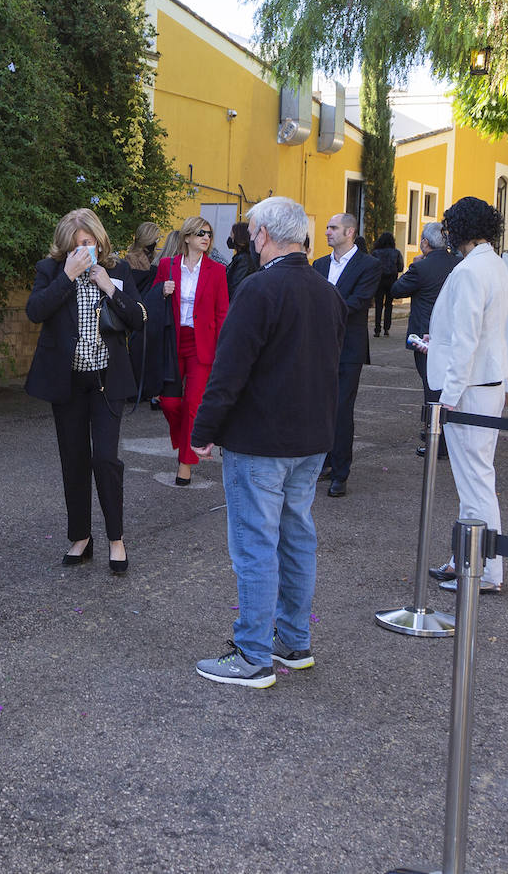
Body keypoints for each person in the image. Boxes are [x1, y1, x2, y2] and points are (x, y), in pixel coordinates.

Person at [190, 197, 346, 687]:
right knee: (296, 537)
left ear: (263, 235)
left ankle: (253, 654)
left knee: (257, 545)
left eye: (253, 233)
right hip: (311, 437)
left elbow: (229, 370)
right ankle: (293, 641)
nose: (251, 241)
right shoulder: (327, 292)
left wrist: (203, 431)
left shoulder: (259, 290)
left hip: (261, 441)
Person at [24, 208, 144, 573]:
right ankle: (81, 537)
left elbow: (137, 318)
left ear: (99, 241)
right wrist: (67, 277)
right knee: (73, 459)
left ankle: (115, 538)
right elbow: (35, 311)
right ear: (64, 246)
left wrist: (108, 286)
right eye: (75, 245)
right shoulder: (50, 271)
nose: (82, 250)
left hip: (108, 380)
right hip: (69, 381)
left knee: (105, 458)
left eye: (88, 243)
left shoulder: (118, 270)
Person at [422, 197, 508, 594]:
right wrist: (435, 343)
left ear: (457, 228)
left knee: (475, 480)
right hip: (486, 383)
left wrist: (449, 394)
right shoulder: (494, 264)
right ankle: (467, 559)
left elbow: (466, 339)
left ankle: (485, 569)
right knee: (476, 477)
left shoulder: (471, 270)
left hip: (470, 389)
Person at [153, 216, 229, 486]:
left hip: (202, 344)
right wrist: (162, 290)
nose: (205, 238)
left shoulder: (217, 271)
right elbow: (150, 302)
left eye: (208, 234)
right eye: (200, 233)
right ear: (186, 238)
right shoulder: (167, 266)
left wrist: (222, 349)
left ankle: (185, 464)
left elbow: (223, 313)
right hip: (173, 340)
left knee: (194, 405)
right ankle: (183, 436)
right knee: (170, 402)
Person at [312, 213, 382, 497]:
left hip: (349, 348)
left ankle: (340, 473)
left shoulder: (369, 265)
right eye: (327, 227)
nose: (327, 232)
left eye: (333, 228)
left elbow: (358, 302)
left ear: (350, 232)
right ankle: (324, 461)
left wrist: (322, 307)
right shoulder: (318, 264)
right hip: (319, 347)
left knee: (341, 409)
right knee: (319, 408)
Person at [392, 221, 460, 458]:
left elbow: (396, 290)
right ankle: (448, 438)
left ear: (425, 243)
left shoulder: (421, 268)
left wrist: (412, 266)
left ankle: (436, 443)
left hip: (425, 336)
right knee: (448, 388)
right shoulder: (458, 263)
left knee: (431, 389)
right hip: (452, 334)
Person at [371, 231, 405, 336]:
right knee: (389, 305)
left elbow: (371, 267)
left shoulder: (376, 253)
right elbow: (400, 267)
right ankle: (386, 328)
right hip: (391, 281)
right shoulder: (396, 252)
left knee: (378, 304)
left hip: (379, 280)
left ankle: (377, 329)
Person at [225, 221, 256, 298]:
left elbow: (235, 287)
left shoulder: (244, 260)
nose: (230, 238)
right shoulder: (241, 257)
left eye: (232, 235)